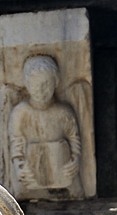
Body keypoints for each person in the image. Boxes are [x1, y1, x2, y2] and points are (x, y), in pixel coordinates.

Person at [9, 54, 83, 198]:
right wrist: (19, 167)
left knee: (75, 191)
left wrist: (76, 160)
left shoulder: (63, 112)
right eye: (35, 85)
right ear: (26, 84)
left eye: (46, 85)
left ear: (55, 83)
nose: (41, 91)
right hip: (32, 168)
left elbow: (74, 138)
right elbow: (16, 141)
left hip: (61, 168)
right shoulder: (20, 112)